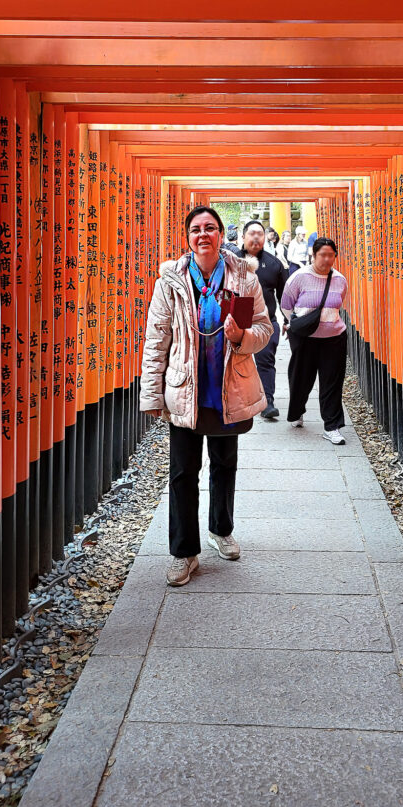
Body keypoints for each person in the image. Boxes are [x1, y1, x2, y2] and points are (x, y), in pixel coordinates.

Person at [140, 205, 272, 585]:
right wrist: (152, 395)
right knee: (183, 472)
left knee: (224, 463)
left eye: (210, 228)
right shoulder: (171, 279)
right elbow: (156, 339)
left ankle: (221, 529)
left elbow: (263, 328)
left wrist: (240, 337)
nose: (203, 235)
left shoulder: (243, 276)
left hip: (227, 386)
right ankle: (184, 552)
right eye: (196, 229)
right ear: (187, 237)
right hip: (185, 389)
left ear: (220, 235)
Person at [280, 237, 349, 446]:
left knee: (332, 383)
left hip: (334, 337)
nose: (326, 260)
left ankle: (332, 426)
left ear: (335, 256)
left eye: (331, 255)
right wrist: (301, 324)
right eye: (322, 255)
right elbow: (286, 305)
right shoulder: (299, 277)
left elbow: (338, 303)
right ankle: (297, 412)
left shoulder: (339, 280)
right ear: (313, 255)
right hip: (306, 339)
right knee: (301, 379)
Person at [238, 219, 288, 420]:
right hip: (237, 318)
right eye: (252, 233)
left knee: (266, 361)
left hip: (265, 320)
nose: (256, 237)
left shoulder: (274, 263)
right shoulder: (231, 261)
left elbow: (285, 295)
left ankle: (267, 402)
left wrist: (287, 320)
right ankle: (237, 400)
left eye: (260, 233)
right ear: (243, 237)